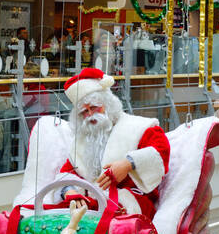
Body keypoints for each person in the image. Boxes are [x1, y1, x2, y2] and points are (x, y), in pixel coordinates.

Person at [46, 67, 170, 219]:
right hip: (92, 202)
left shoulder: (139, 127)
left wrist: (128, 164)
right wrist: (69, 191)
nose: (90, 115)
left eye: (94, 107)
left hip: (130, 204)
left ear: (108, 103)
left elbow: (160, 151)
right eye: (84, 112)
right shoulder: (83, 140)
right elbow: (67, 173)